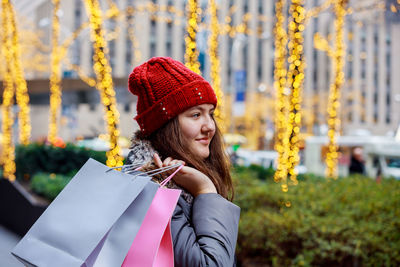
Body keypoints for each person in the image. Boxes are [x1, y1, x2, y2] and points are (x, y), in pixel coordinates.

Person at [124, 57, 240, 266]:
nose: (210, 127)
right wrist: (205, 190)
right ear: (165, 125)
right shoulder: (152, 189)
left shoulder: (178, 178)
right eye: (195, 115)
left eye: (210, 114)